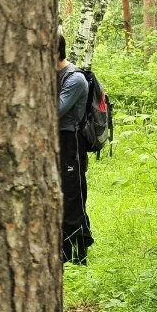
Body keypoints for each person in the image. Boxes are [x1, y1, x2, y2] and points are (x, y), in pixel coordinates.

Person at [57, 35, 92, 264]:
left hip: (71, 143)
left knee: (72, 196)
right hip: (54, 142)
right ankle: (63, 252)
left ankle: (79, 257)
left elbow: (56, 110)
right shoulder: (53, 75)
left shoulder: (75, 79)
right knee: (58, 196)